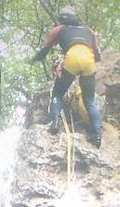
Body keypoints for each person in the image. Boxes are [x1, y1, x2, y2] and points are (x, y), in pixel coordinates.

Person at [30, 7, 103, 147]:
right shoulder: (89, 31)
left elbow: (44, 51)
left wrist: (32, 60)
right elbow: (98, 56)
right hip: (89, 60)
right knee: (90, 101)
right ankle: (98, 134)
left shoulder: (59, 29)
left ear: (62, 20)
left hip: (72, 58)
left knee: (57, 93)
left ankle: (55, 123)